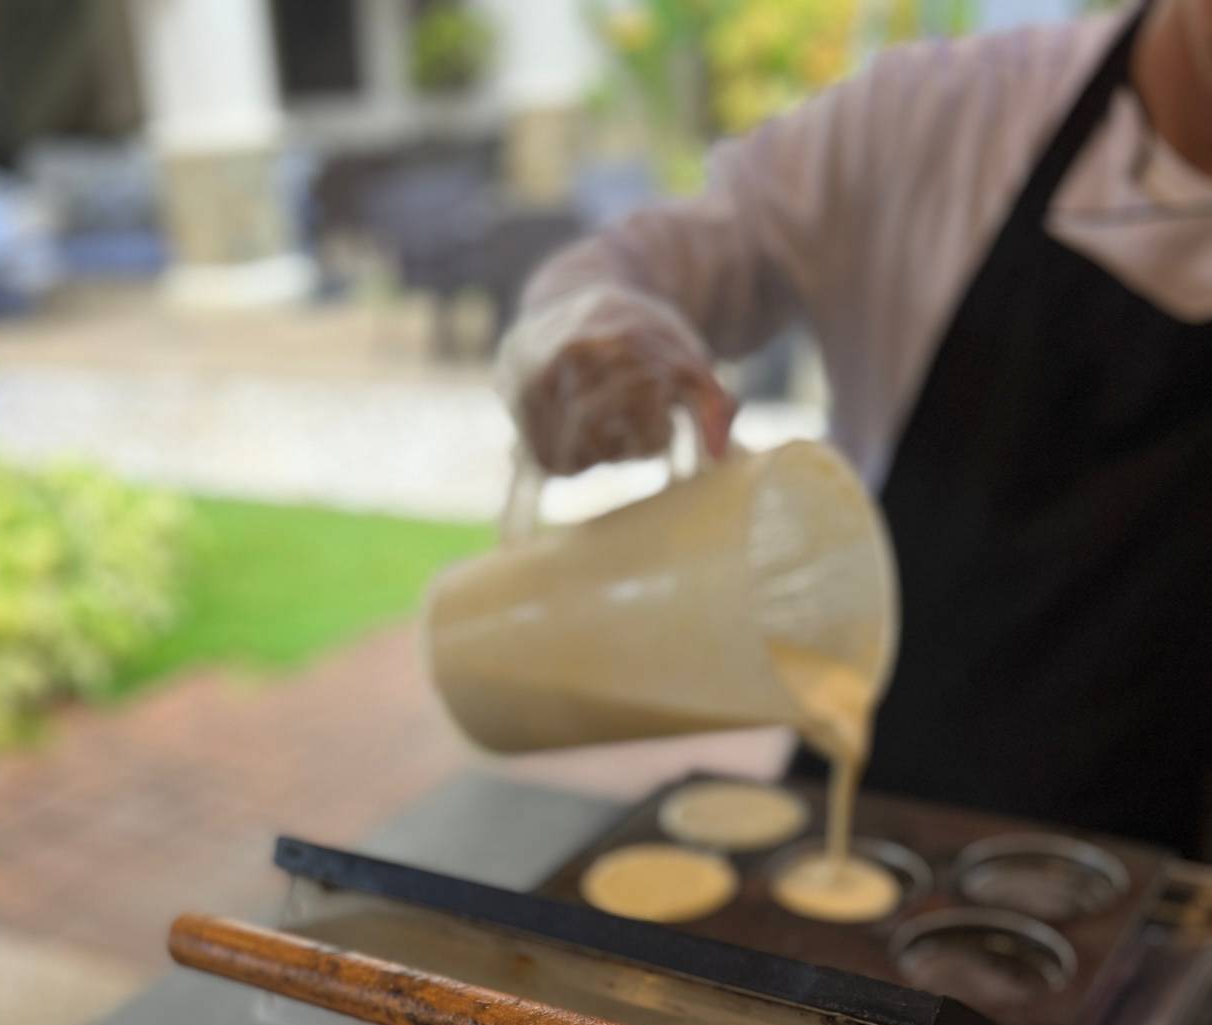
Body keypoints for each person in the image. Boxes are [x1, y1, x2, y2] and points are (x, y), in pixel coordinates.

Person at [499, 0, 1212, 856]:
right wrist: (592, 339)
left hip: (1166, 881)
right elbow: (637, 266)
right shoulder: (952, 116)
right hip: (866, 815)